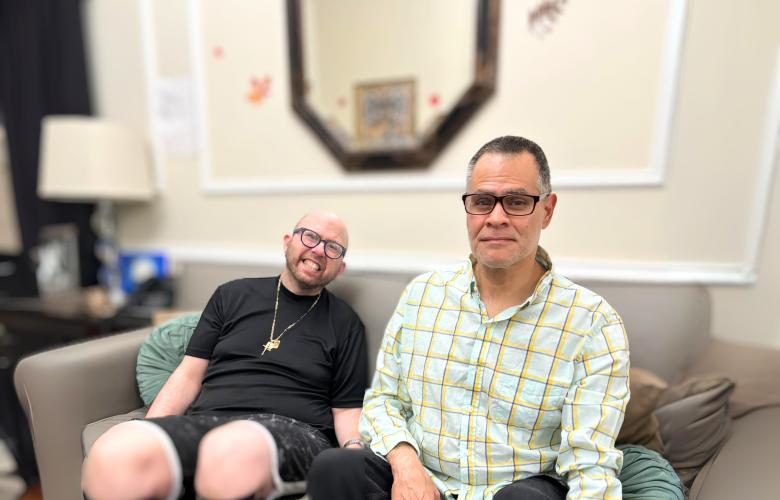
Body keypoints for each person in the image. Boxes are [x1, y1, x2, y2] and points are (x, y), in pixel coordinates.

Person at [308, 136, 630, 500]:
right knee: (334, 467)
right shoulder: (423, 295)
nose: (496, 218)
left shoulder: (592, 323)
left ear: (548, 210)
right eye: (481, 202)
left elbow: (590, 461)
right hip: (420, 483)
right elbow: (384, 399)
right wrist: (406, 465)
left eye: (517, 202)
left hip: (516, 488)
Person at [82, 210, 368, 500]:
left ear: (340, 268)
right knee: (116, 452)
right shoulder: (231, 296)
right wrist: (150, 428)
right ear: (287, 242)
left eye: (332, 247)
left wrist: (354, 453)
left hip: (296, 432)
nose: (318, 250)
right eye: (310, 236)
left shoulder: (346, 324)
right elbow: (189, 375)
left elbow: (345, 408)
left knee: (230, 450)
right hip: (210, 420)